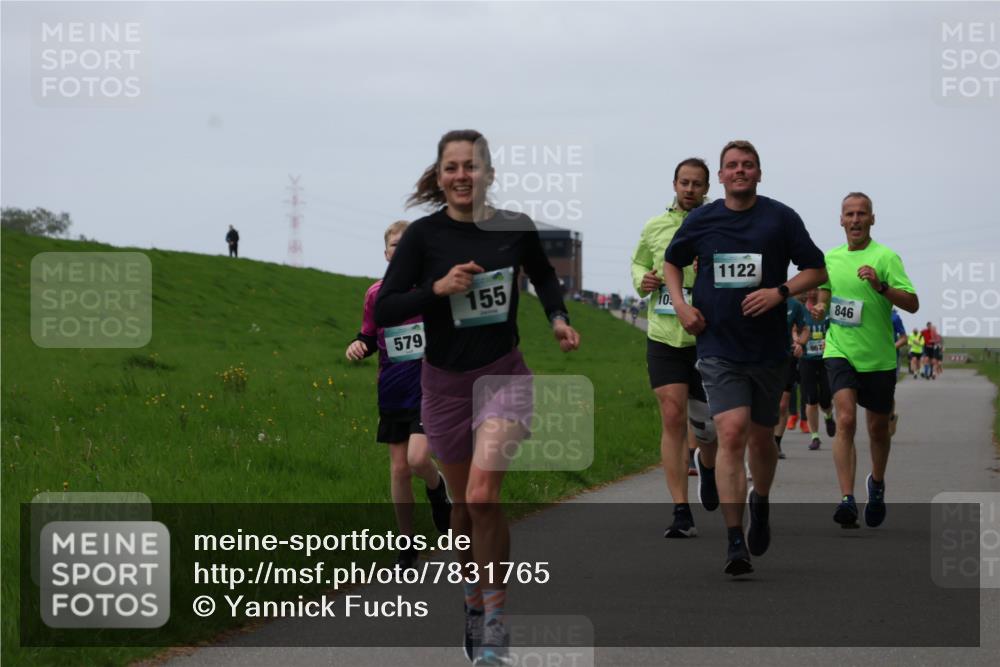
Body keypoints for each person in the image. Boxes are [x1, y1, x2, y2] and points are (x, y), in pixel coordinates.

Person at [375, 130, 580, 665]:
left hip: (502, 375)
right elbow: (389, 307)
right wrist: (437, 290)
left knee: (485, 498)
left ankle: (495, 621)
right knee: (465, 506)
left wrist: (558, 318)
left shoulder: (513, 228)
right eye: (452, 168)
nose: (462, 176)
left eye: (471, 166)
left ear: (488, 172)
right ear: (440, 176)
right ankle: (471, 602)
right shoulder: (423, 237)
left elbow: (543, 275)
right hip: (443, 385)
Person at [663, 139, 827, 575]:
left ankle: (761, 499)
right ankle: (735, 541)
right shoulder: (702, 219)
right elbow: (672, 263)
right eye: (732, 166)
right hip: (718, 345)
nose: (740, 171)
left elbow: (817, 268)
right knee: (731, 433)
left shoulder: (780, 218)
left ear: (758, 173)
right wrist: (680, 305)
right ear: (721, 176)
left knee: (760, 439)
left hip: (768, 348)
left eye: (748, 165)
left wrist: (781, 292)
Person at [345, 220, 452, 570]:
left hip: (429, 387)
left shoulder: (433, 290)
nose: (399, 250)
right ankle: (406, 545)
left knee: (417, 460)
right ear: (386, 252)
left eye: (405, 245)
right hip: (392, 388)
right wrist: (358, 345)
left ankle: (437, 491)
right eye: (393, 245)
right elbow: (368, 334)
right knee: (398, 469)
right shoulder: (376, 294)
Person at [811, 192, 918, 530]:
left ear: (872, 219)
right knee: (845, 419)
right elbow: (827, 293)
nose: (855, 220)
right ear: (840, 220)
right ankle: (846, 499)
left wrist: (881, 286)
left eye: (862, 214)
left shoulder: (886, 257)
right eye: (849, 214)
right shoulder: (830, 258)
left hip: (879, 358)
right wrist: (820, 307)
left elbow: (912, 303)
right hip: (839, 350)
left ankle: (877, 484)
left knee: (877, 429)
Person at [630, 157, 720, 539]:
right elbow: (637, 264)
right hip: (665, 335)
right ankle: (680, 509)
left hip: (706, 337)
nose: (689, 189)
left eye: (696, 184)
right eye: (683, 182)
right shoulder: (655, 227)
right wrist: (644, 280)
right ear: (674, 184)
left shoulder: (718, 223)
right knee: (671, 414)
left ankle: (710, 468)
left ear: (706, 187)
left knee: (708, 429)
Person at [797, 289, 836, 450]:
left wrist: (829, 341)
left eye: (816, 290)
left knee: (826, 398)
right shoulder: (801, 311)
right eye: (809, 290)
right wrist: (796, 340)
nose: (812, 293)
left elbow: (834, 331)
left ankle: (828, 416)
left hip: (825, 360)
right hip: (807, 360)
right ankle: (815, 436)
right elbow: (795, 328)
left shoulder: (827, 311)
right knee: (811, 398)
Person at [774, 295, 807, 459]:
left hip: (786, 358)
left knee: (782, 404)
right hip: (760, 359)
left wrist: (800, 343)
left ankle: (776, 443)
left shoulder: (795, 305)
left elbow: (805, 328)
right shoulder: (757, 297)